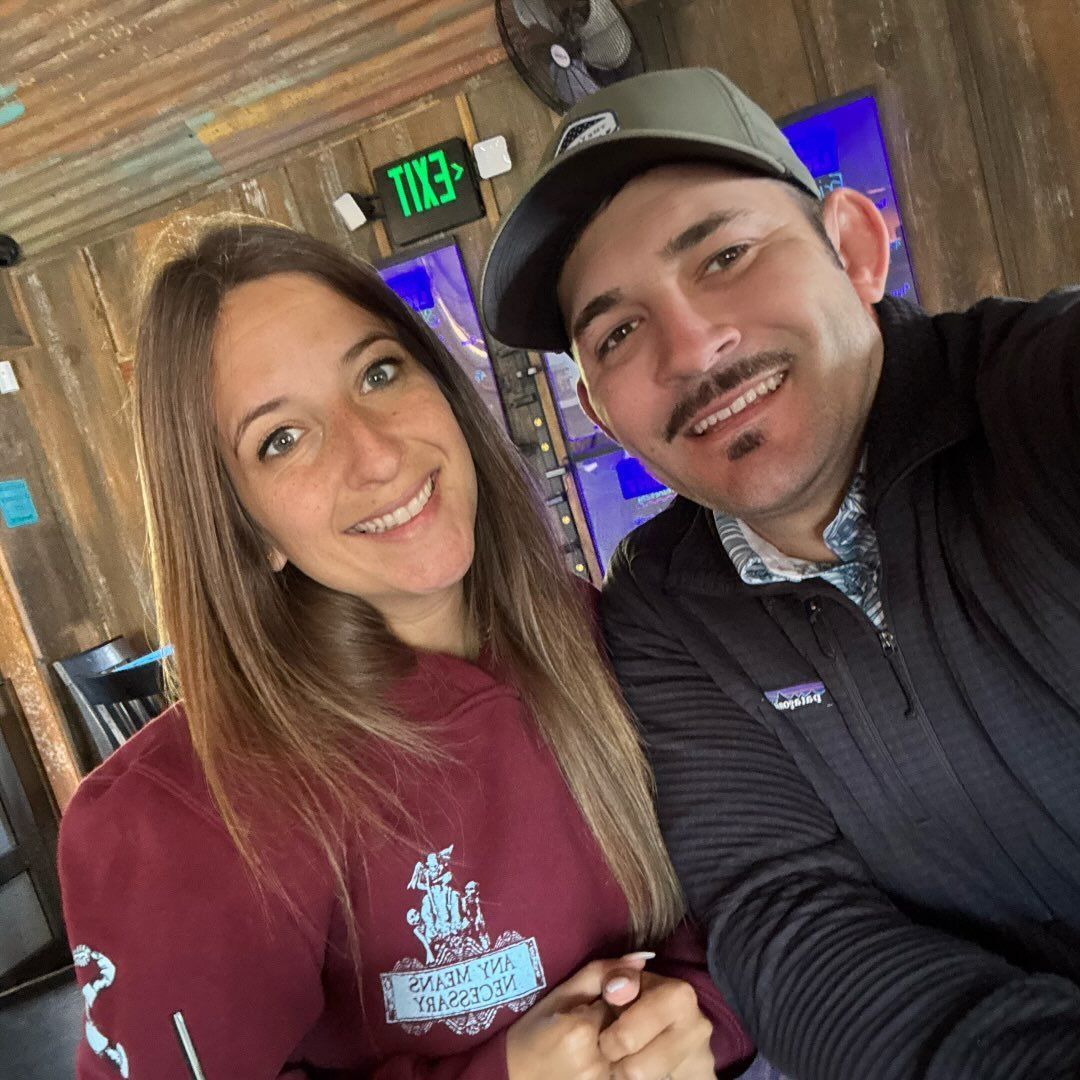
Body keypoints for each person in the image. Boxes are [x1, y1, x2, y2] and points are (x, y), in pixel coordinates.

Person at [481, 66, 1080, 1080]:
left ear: (853, 247)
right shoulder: (665, 616)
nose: (691, 347)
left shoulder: (1038, 395)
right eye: (619, 331)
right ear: (601, 410)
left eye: (725, 255)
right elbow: (786, 918)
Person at [57, 221, 752, 1078]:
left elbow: (773, 902)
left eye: (379, 373)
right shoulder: (177, 818)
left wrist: (702, 1018)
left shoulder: (622, 637)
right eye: (282, 438)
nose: (377, 455)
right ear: (242, 525)